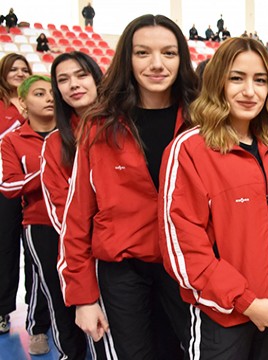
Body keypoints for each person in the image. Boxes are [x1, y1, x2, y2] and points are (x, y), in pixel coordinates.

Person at [159, 36, 268, 360]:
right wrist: (247, 303)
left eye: (260, 80)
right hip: (223, 317)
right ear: (218, 82)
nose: (250, 91)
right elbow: (185, 248)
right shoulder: (189, 150)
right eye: (237, 78)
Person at [58, 14, 199, 358]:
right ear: (127, 59)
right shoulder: (99, 125)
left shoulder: (202, 122)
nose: (156, 64)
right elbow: (76, 216)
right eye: (142, 53)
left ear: (182, 59)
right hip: (123, 271)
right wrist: (83, 298)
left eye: (168, 53)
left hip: (186, 269)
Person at [1, 74, 94, 358]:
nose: (50, 98)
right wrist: (46, 173)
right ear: (23, 103)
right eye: (39, 94)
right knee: (53, 288)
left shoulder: (75, 133)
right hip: (41, 225)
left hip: (82, 225)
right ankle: (45, 333)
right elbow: (8, 185)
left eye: (51, 93)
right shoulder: (12, 141)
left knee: (87, 292)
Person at [0, 54, 51, 351]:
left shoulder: (55, 123)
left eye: (24, 69)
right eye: (13, 69)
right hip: (14, 189)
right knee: (7, 248)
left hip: (48, 208)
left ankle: (53, 318)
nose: (19, 72)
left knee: (43, 262)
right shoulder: (15, 126)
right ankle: (7, 310)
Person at [42, 51, 102, 236]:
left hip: (137, 246)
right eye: (63, 80)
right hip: (87, 247)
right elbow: (60, 205)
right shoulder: (54, 143)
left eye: (82, 75)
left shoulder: (127, 126)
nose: (74, 85)